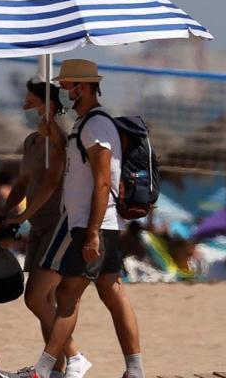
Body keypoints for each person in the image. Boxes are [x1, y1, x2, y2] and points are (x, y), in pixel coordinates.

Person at [29, 60, 144, 378]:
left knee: (67, 295)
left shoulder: (96, 126)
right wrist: (54, 133)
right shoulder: (85, 124)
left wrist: (92, 232)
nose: (65, 93)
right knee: (112, 293)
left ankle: (44, 369)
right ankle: (135, 370)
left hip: (90, 224)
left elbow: (103, 182)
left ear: (83, 87)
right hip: (96, 223)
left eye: (68, 87)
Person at [1, 79, 90, 378]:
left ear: (47, 103)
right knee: (46, 301)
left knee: (35, 297)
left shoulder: (61, 135)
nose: (25, 105)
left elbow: (52, 182)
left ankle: (75, 356)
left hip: (60, 224)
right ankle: (55, 368)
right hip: (38, 227)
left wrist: (22, 215)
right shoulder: (32, 141)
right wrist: (4, 212)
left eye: (30, 101)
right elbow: (23, 182)